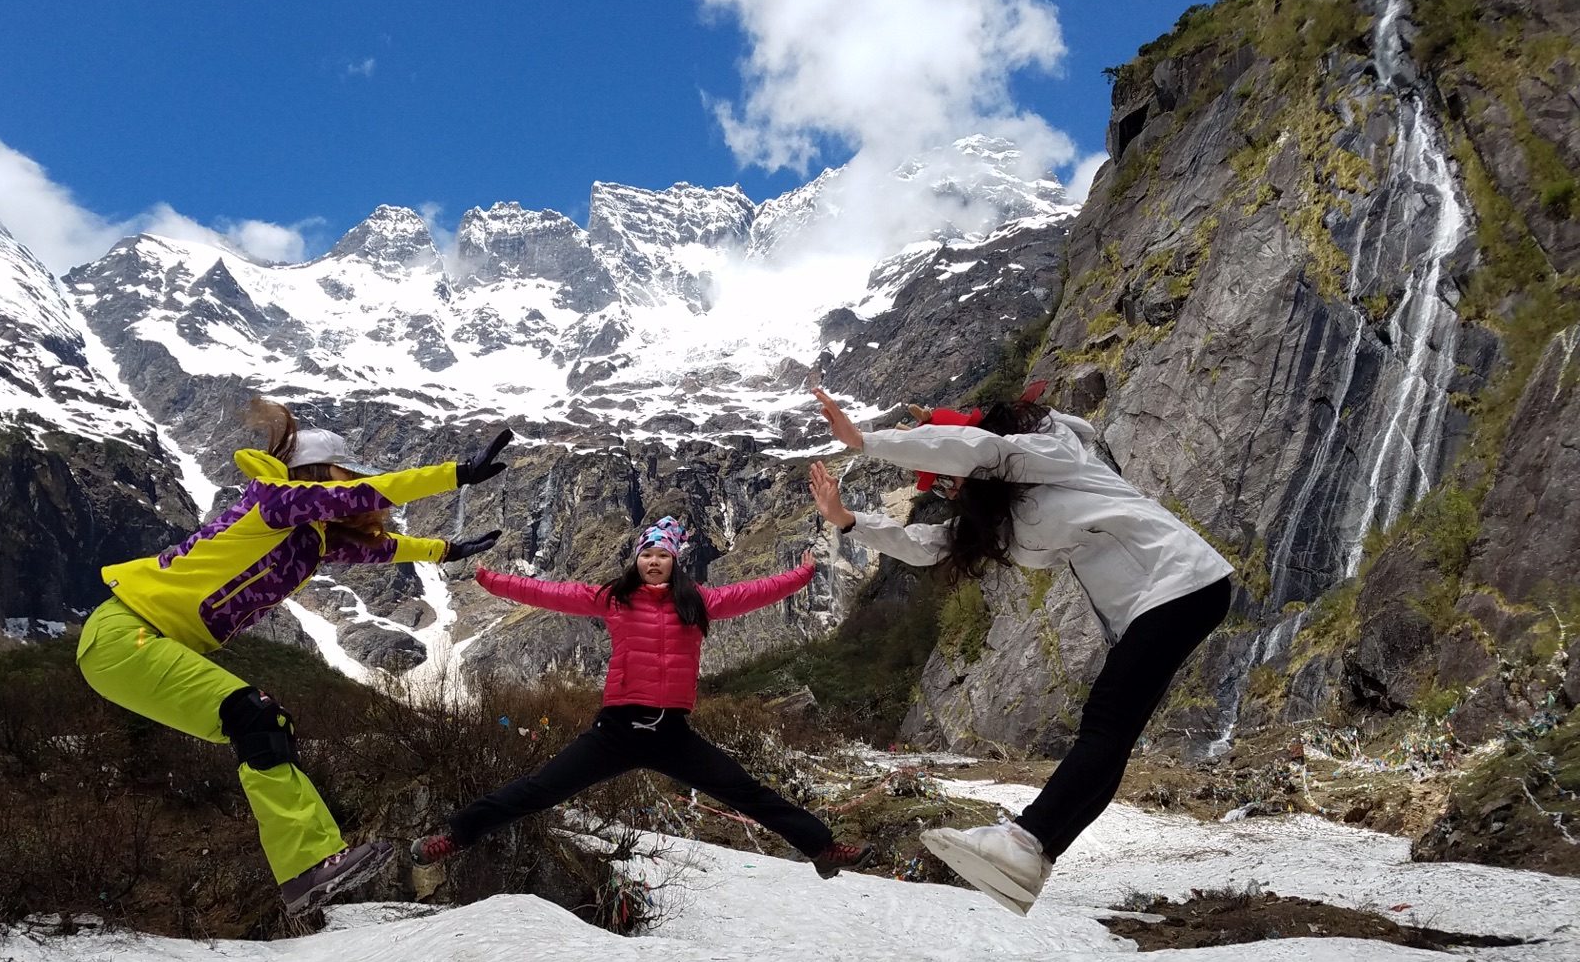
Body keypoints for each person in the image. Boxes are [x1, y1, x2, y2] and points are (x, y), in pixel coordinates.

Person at [807, 386, 1233, 914]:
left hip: (1178, 578)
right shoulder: (1001, 520)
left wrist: (864, 441)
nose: (949, 487)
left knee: (1104, 722)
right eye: (939, 484)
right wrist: (850, 522)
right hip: (1159, 598)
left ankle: (1026, 842)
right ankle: (1035, 854)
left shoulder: (1049, 453)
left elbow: (975, 448)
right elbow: (925, 545)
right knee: (1111, 737)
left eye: (946, 473)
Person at [76, 398, 511, 914]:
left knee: (264, 724)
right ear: (318, 474)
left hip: (147, 644)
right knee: (253, 716)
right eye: (339, 475)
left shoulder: (308, 539)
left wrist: (444, 551)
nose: (346, 488)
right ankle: (307, 866)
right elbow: (364, 494)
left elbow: (380, 549)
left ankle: (311, 866)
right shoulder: (272, 503)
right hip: (125, 634)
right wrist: (457, 474)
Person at [409, 516, 873, 877]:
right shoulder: (614, 598)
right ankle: (455, 836)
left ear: (675, 562)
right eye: (646, 555)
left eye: (662, 556)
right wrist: (493, 581)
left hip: (672, 733)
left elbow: (755, 591)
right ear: (636, 561)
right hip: (616, 731)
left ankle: (822, 848)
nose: (653, 562)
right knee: (540, 789)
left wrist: (803, 573)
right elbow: (550, 593)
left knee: (745, 791)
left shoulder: (699, 603)